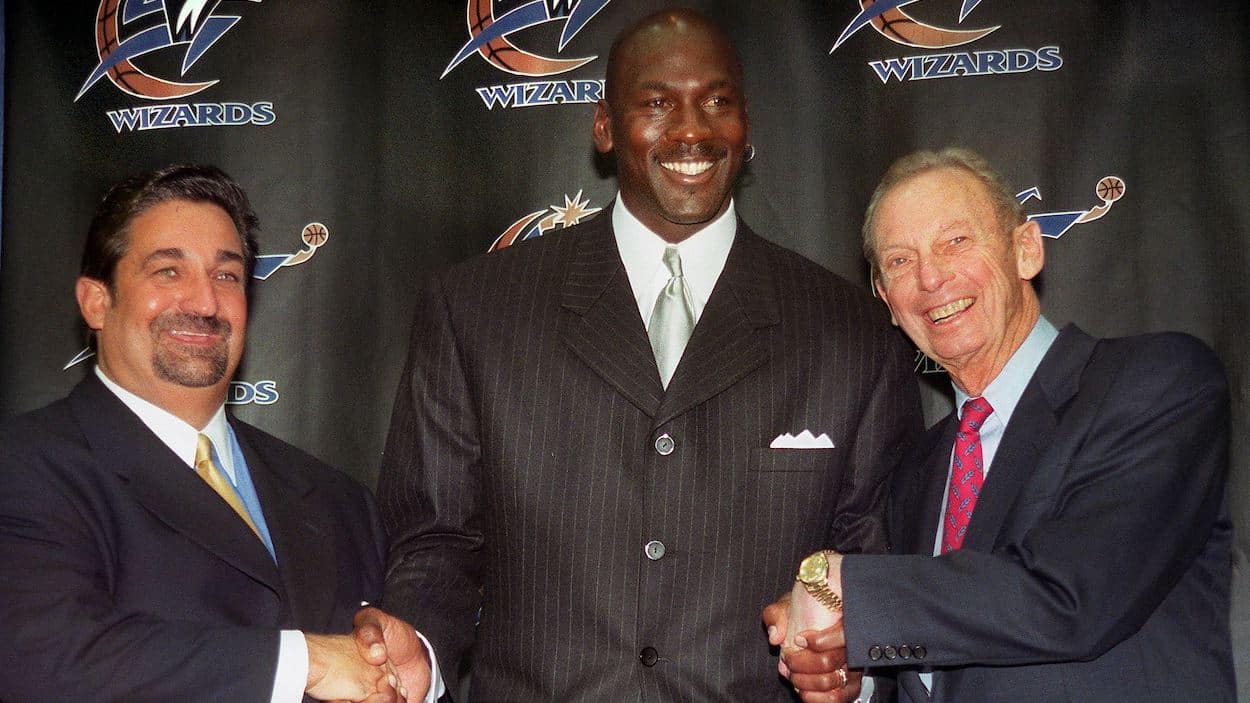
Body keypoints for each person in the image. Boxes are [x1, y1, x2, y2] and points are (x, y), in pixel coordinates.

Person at [367, 8, 921, 701]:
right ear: (604, 125)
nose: (692, 130)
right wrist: (415, 644)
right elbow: (437, 536)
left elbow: (875, 559)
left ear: (746, 125)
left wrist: (853, 666)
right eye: (658, 103)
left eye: (716, 103)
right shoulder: (476, 311)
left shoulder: (850, 332)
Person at [765, 147, 1235, 702]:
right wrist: (856, 677)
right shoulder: (917, 470)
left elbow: (1070, 598)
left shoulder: (1155, 384)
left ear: (1026, 250)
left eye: (956, 241)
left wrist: (840, 585)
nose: (931, 277)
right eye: (899, 261)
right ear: (888, 303)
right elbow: (946, 652)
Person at [0, 164, 410, 703]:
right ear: (96, 301)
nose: (203, 303)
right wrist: (304, 662)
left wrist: (408, 675)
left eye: (227, 275)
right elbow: (46, 659)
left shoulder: (339, 501)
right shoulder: (24, 468)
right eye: (168, 271)